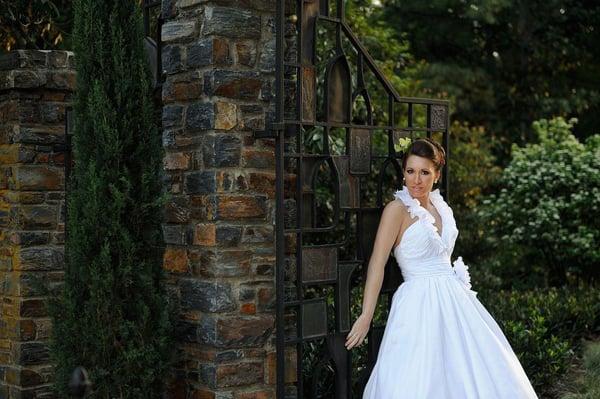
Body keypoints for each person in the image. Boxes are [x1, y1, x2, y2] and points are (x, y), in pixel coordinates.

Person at [346, 138, 539, 398]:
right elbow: (377, 264)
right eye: (410, 171)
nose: (416, 180)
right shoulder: (397, 210)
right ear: (403, 173)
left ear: (436, 176)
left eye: (425, 172)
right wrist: (366, 315)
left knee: (471, 372)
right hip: (419, 304)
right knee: (420, 378)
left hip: (456, 302)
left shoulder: (441, 207)